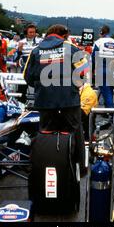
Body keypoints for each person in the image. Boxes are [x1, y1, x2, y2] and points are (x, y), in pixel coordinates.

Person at [23, 24, 88, 165]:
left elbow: (27, 77)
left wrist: (43, 87)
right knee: (75, 131)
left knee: (45, 134)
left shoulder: (36, 50)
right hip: (69, 100)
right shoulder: (71, 48)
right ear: (64, 36)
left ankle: (45, 165)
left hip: (45, 101)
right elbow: (84, 71)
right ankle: (80, 166)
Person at [92, 25, 114, 110]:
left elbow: (93, 57)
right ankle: (110, 113)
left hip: (101, 69)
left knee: (107, 94)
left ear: (101, 32)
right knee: (110, 92)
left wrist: (92, 70)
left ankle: (111, 115)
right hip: (113, 69)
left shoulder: (98, 42)